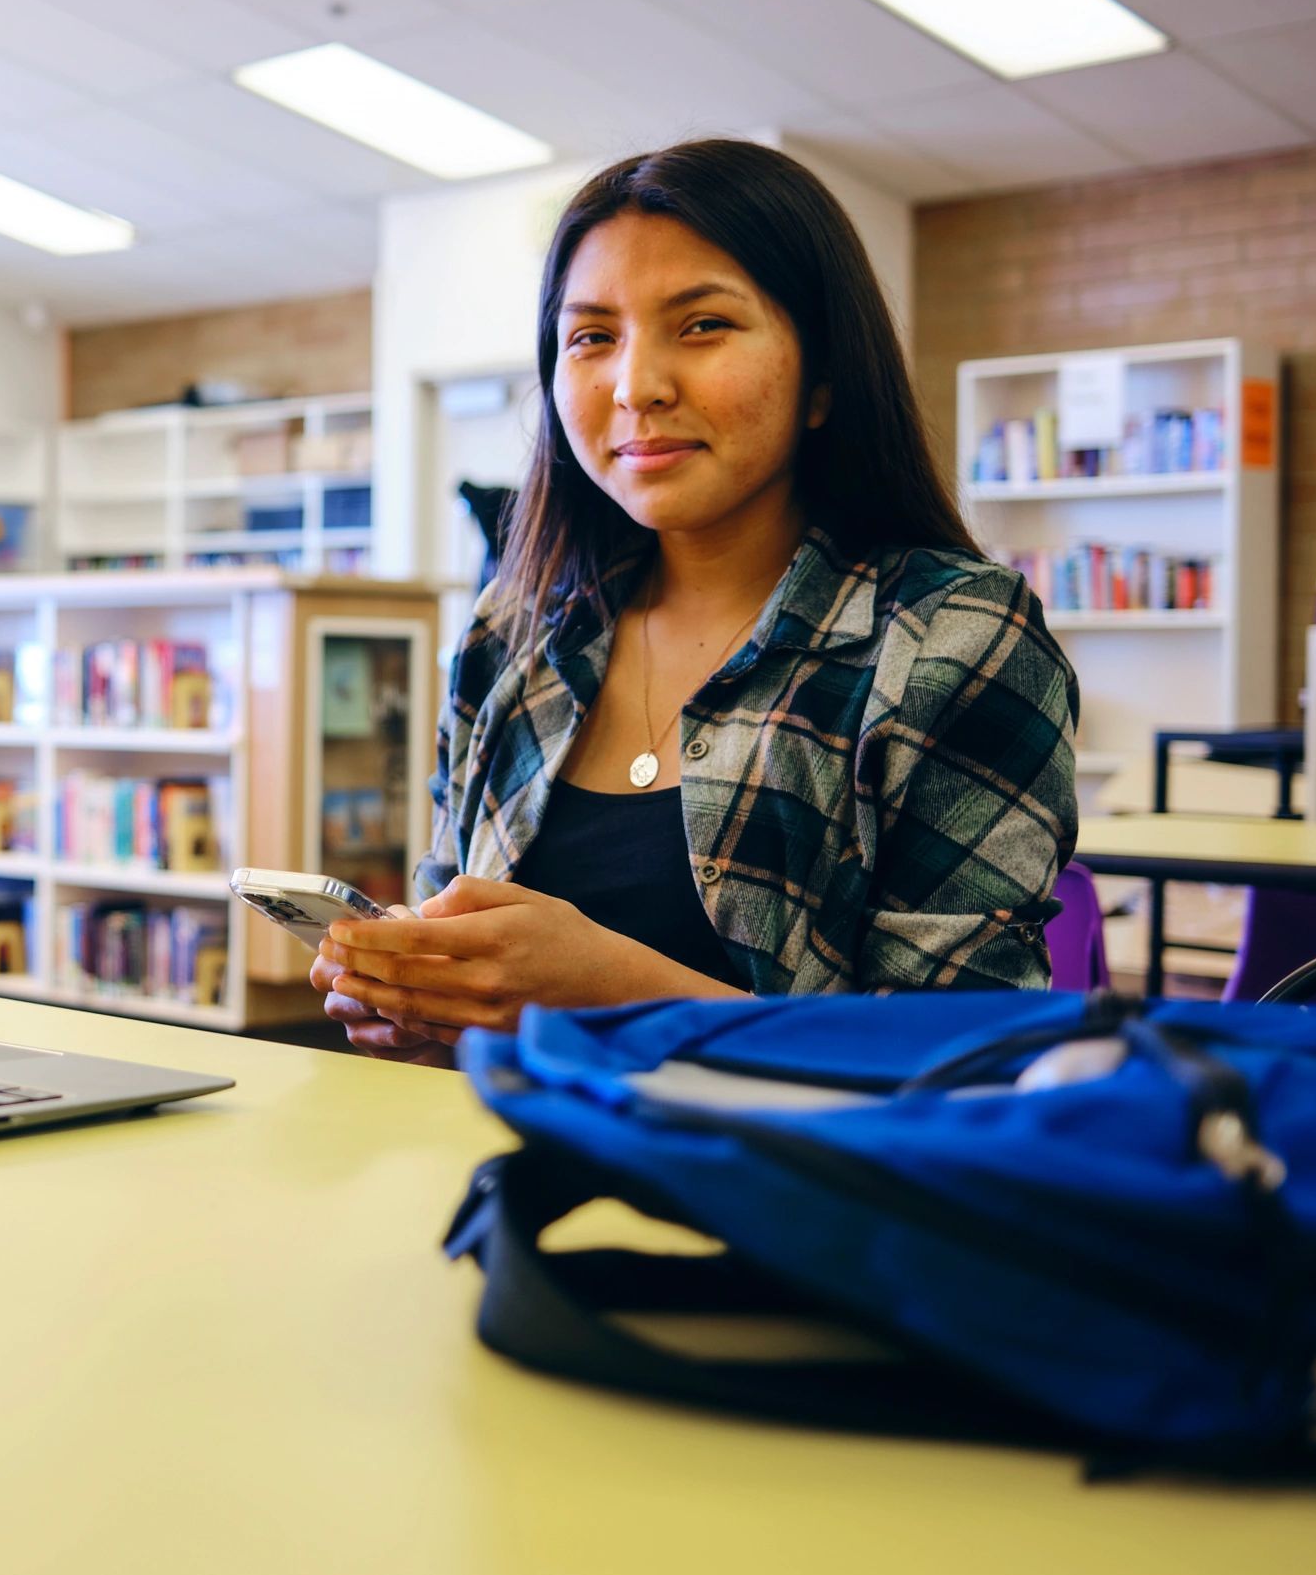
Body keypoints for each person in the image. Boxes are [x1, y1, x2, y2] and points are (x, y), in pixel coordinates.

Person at [315, 139, 1078, 1065]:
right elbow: (461, 990)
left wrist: (604, 989)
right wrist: (413, 998)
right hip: (498, 1182)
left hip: (790, 1202)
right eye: (592, 337)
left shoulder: (954, 639)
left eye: (703, 324)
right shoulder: (510, 636)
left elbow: (968, 1068)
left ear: (823, 376)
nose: (637, 386)